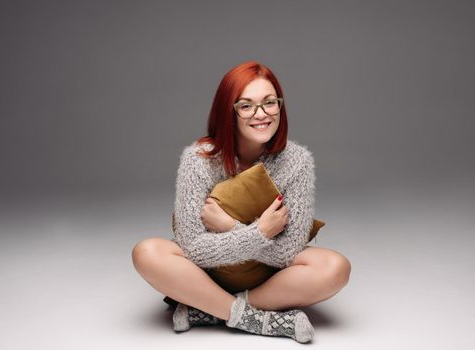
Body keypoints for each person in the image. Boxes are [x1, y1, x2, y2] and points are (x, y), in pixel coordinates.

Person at [132, 60, 351, 343]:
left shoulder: (297, 161)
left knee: (336, 267)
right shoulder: (199, 159)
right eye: (246, 105)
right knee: (146, 252)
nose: (261, 114)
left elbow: (288, 252)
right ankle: (256, 319)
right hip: (207, 272)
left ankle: (208, 309)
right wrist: (260, 232)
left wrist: (230, 226)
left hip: (267, 275)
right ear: (229, 111)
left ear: (280, 107)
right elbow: (194, 249)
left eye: (269, 103)